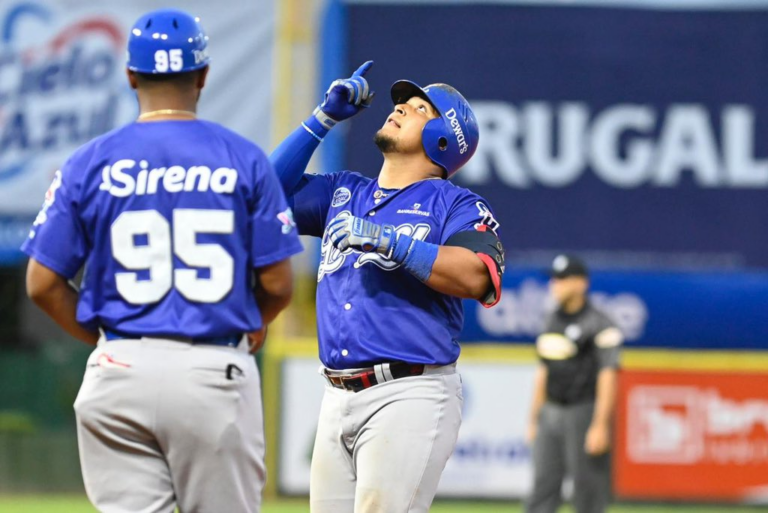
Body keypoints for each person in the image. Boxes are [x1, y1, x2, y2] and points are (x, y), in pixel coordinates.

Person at [22, 9, 302, 513]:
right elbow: (280, 284)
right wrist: (255, 324)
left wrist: (107, 336)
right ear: (203, 75)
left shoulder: (89, 162)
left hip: (118, 370)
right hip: (212, 369)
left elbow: (42, 284)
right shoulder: (242, 157)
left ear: (130, 75)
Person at [270, 61, 505, 512]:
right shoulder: (343, 192)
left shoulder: (455, 203)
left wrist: (391, 242)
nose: (399, 107)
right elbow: (261, 193)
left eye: (418, 108)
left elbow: (477, 274)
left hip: (409, 393)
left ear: (443, 139)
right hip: (336, 395)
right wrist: (323, 119)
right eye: (402, 101)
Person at [525, 254, 623, 513]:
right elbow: (543, 371)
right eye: (553, 279)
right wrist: (534, 418)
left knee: (588, 490)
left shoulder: (600, 323)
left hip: (584, 410)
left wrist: (600, 425)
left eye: (562, 279)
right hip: (551, 411)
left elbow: (608, 374)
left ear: (581, 283)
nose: (554, 285)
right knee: (542, 487)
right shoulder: (551, 321)